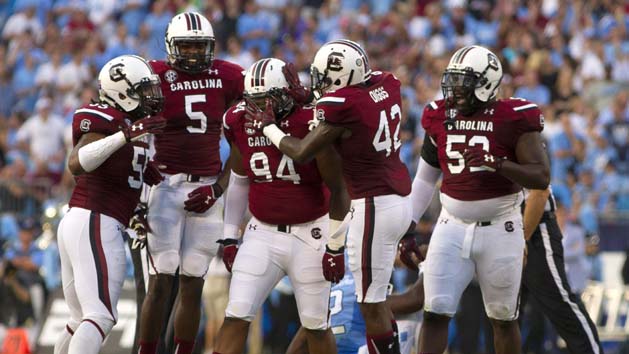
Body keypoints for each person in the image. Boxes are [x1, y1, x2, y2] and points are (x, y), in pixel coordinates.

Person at [246, 39, 413, 354]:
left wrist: (268, 127)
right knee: (373, 297)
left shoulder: (341, 104)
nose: (318, 83)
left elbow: (301, 151)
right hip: (397, 196)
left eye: (323, 77)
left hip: (372, 202)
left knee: (371, 304)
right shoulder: (385, 84)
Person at [399, 45, 550, 354]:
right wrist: (408, 228)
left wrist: (497, 162)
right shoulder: (439, 115)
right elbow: (425, 179)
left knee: (503, 318)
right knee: (435, 309)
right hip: (450, 225)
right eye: (452, 81)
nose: (454, 90)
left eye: (463, 82)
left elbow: (541, 177)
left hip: (500, 227)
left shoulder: (513, 116)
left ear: (487, 83)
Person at [212, 57, 350, 354]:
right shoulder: (238, 119)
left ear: (287, 95)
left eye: (267, 101)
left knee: (315, 325)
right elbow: (238, 179)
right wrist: (229, 237)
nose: (259, 110)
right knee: (236, 314)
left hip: (311, 233)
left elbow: (340, 190)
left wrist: (335, 246)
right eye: (254, 101)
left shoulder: (312, 121)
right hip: (261, 232)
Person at [137, 12, 244, 354]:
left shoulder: (228, 75)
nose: (195, 55)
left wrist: (218, 188)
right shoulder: (153, 75)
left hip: (207, 187)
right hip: (165, 186)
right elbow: (130, 127)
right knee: (160, 279)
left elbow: (246, 137)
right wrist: (142, 177)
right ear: (171, 46)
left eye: (201, 47)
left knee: (193, 282)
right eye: (188, 47)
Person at [54, 54, 166, 354]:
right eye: (142, 90)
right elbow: (77, 163)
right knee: (100, 316)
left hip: (86, 220)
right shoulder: (109, 119)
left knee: (79, 319)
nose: (150, 97)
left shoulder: (131, 123)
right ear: (121, 91)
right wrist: (126, 135)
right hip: (95, 218)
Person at [521, 188, 602, 354]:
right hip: (497, 226)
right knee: (502, 315)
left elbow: (540, 189)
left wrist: (521, 240)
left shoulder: (576, 230)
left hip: (534, 229)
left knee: (560, 305)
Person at [286, 265, 425, 354]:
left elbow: (300, 340)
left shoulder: (330, 289)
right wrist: (429, 265)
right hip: (358, 350)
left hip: (327, 346)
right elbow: (414, 300)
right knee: (410, 324)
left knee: (313, 324)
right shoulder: (364, 287)